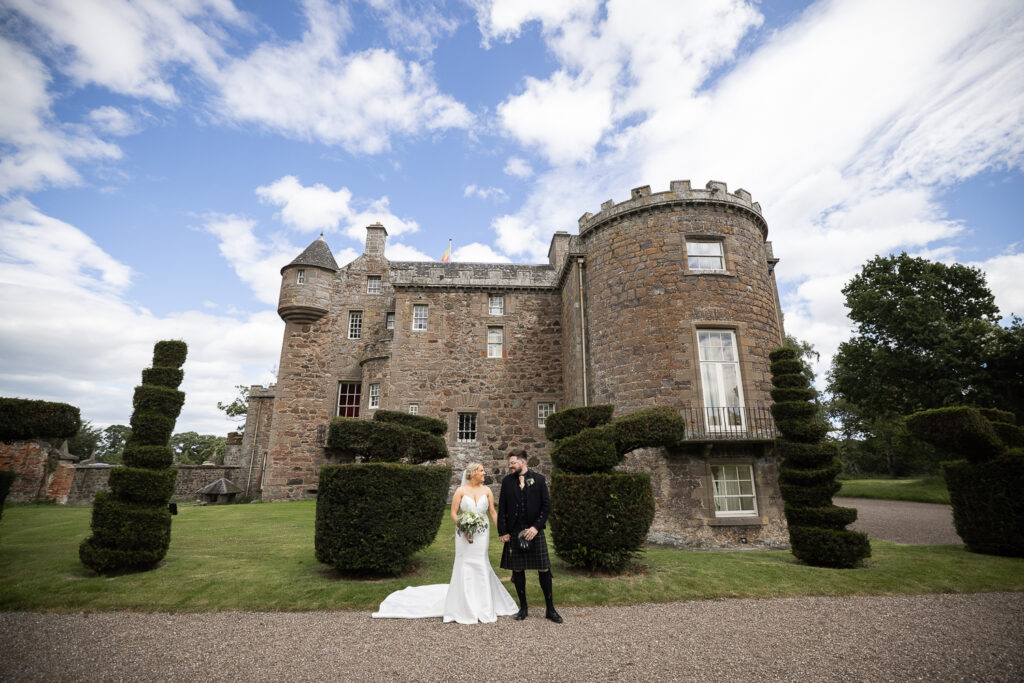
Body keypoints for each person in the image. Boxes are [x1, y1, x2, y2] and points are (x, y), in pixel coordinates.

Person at [372, 463, 518, 624]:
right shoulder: (461, 491)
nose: (485, 473)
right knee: (465, 564)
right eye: (482, 470)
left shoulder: (487, 491)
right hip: (463, 533)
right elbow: (454, 514)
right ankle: (464, 605)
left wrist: (502, 531)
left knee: (481, 563)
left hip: (482, 533)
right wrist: (463, 528)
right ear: (473, 473)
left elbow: (492, 512)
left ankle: (484, 605)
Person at [498, 450, 563, 623]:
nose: (510, 466)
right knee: (518, 569)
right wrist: (502, 531)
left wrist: (536, 527)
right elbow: (502, 508)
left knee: (544, 568)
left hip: (534, 532)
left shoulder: (539, 480)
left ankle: (550, 609)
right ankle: (523, 608)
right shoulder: (507, 482)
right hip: (514, 531)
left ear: (523, 463)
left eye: (513, 463)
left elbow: (546, 507)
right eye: (510, 463)